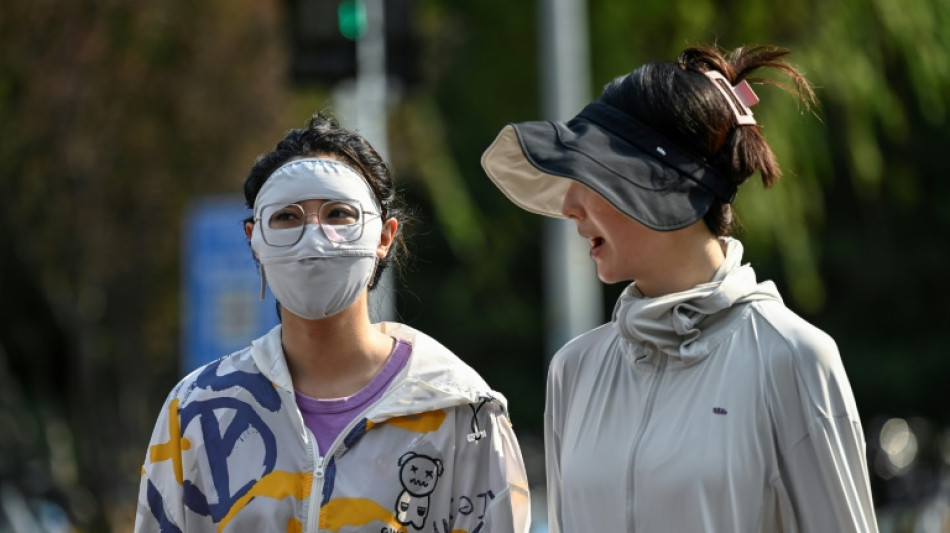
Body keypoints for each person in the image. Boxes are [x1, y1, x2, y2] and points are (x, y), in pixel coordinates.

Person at [481, 45, 878, 532]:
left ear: (659, 182)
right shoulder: (575, 370)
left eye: (593, 177)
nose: (570, 206)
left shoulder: (792, 357)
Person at [135, 112, 531, 532]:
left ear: (384, 235)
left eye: (339, 214)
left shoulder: (459, 410)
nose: (313, 239)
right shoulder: (199, 409)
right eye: (287, 217)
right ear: (253, 237)